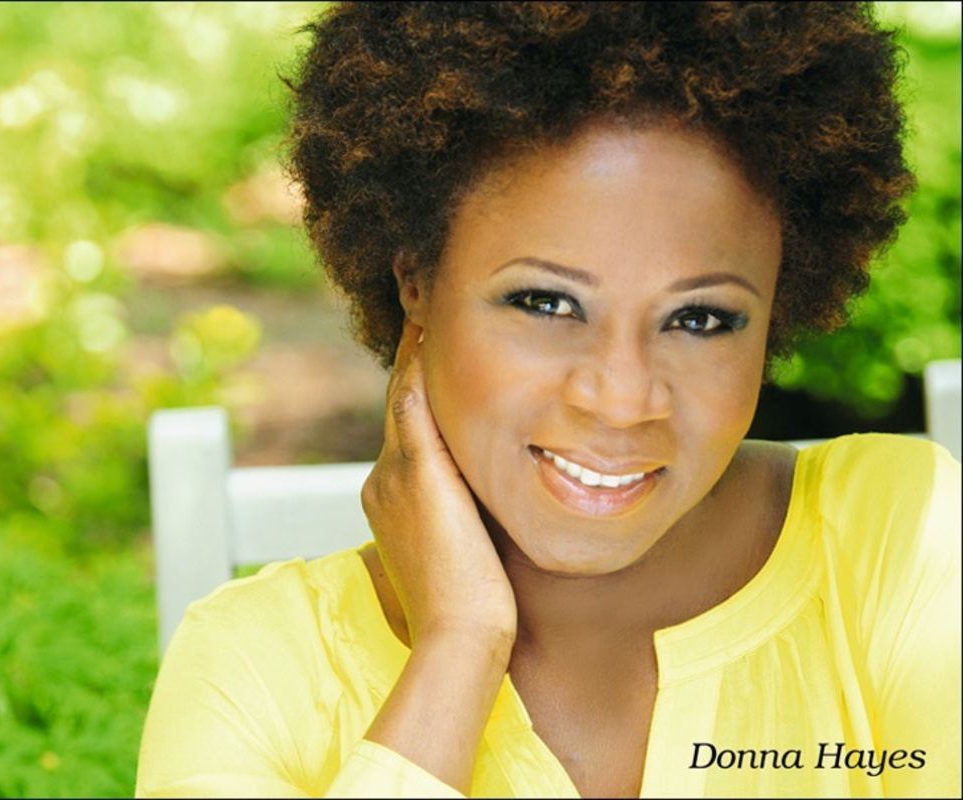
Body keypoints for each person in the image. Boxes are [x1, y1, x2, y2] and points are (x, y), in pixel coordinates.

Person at [135, 3, 961, 797]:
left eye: (699, 318)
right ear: (415, 280)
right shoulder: (252, 664)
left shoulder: (896, 541)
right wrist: (457, 646)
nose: (622, 400)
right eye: (545, 303)